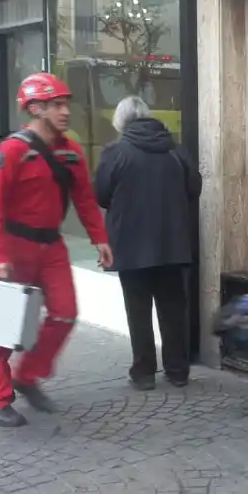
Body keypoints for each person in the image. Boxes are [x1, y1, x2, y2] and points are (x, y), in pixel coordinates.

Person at [0, 72, 113, 428]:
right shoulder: (12, 151)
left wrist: (99, 238)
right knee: (3, 324)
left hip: (51, 246)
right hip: (14, 246)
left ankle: (26, 375)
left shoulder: (70, 152)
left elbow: (85, 198)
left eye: (65, 104)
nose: (65, 111)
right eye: (56, 105)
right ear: (35, 108)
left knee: (65, 313)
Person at [94, 96, 202, 391]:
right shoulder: (175, 150)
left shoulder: (115, 152)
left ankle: (143, 373)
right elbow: (195, 188)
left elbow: (100, 194)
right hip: (172, 244)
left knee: (138, 310)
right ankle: (177, 371)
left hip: (130, 244)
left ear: (120, 121)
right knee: (173, 309)